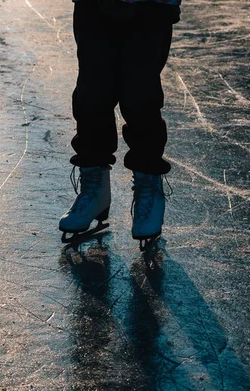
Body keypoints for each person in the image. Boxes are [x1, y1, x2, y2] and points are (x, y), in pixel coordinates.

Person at [59, 0, 181, 248]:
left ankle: (149, 187)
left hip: (150, 7)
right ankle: (95, 189)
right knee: (91, 95)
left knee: (140, 97)